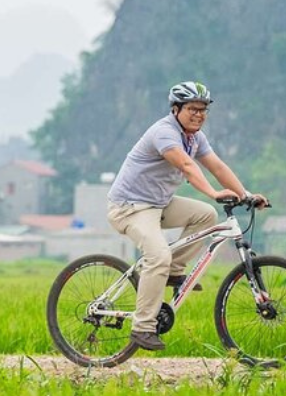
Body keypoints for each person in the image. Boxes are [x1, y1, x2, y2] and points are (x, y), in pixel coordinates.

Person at [106, 81, 268, 351]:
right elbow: (186, 165)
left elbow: (216, 165)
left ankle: (172, 271)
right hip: (129, 207)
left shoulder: (195, 138)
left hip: (158, 204)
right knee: (157, 256)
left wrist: (246, 193)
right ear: (176, 109)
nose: (199, 114)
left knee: (205, 215)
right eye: (193, 108)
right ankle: (143, 327)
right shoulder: (164, 133)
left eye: (203, 110)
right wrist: (214, 193)